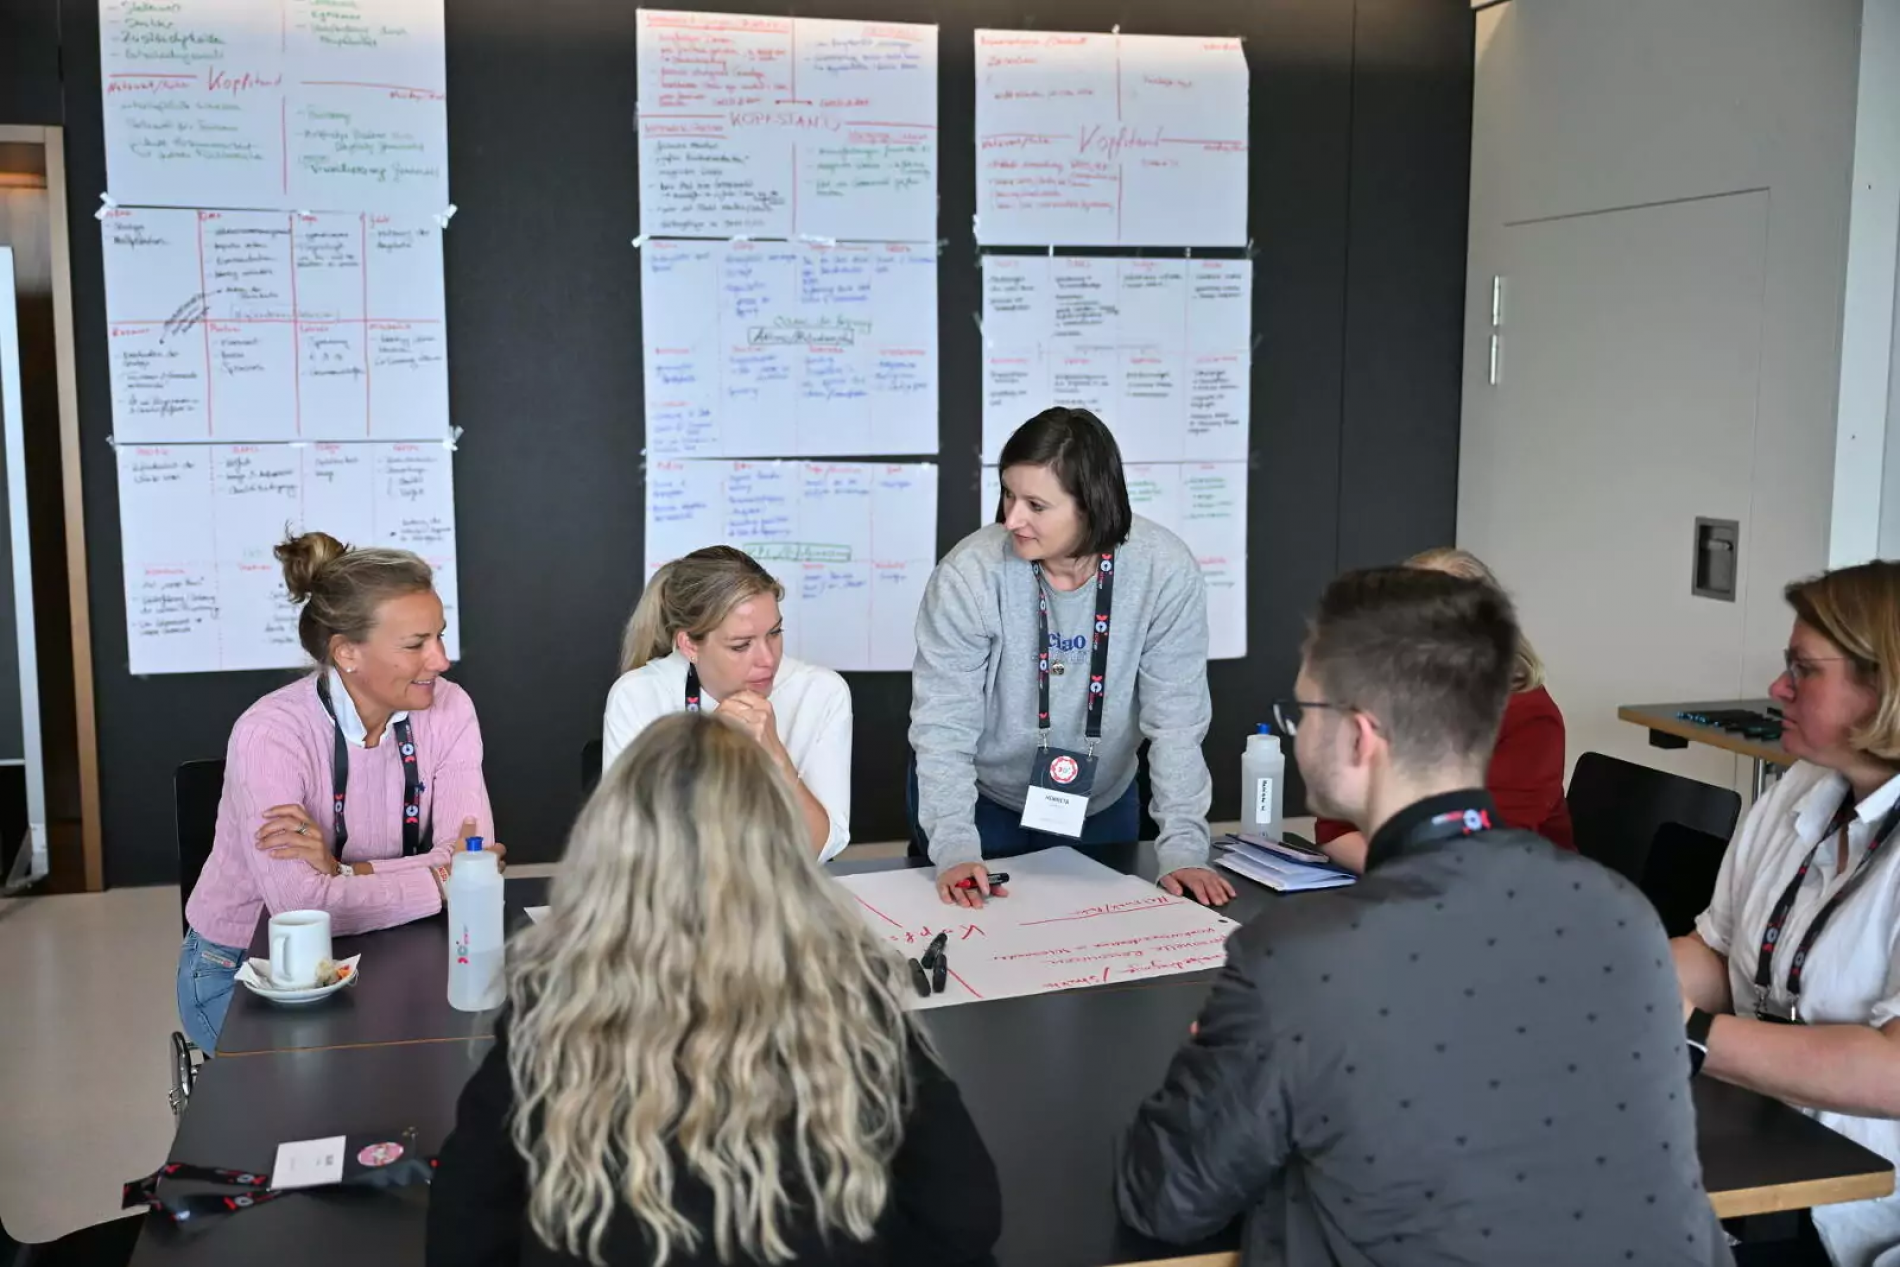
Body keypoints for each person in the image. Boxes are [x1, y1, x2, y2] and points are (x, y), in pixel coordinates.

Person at [1118, 567, 1729, 1267]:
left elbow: (1164, 1196)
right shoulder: (1624, 915)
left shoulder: (1298, 961)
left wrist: (1210, 1064)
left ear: (1359, 736)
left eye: (1304, 712)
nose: (1294, 736)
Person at [427, 711, 1002, 1267]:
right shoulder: (850, 1000)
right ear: (778, 851)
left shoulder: (553, 1006)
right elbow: (962, 1220)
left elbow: (463, 1232)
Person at [176, 532, 498, 1053]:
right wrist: (444, 880)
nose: (441, 660)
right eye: (416, 644)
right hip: (250, 970)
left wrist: (346, 871)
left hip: (400, 946)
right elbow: (302, 905)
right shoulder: (270, 733)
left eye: (439, 635)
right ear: (347, 652)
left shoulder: (451, 707)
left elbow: (474, 857)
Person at [909, 407, 1233, 909]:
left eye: (1036, 504)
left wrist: (1185, 850)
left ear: (1091, 505)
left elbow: (1177, 723)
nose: (1011, 518)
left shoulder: (1163, 571)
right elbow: (942, 725)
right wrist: (953, 846)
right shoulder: (969, 575)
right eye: (1008, 494)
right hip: (980, 802)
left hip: (1100, 802)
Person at [1674, 561, 1900, 1267]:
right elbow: (1717, 952)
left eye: (1803, 669)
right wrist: (1614, 975)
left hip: (1853, 1210)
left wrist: (1687, 1029)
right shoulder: (1803, 785)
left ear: (1884, 686)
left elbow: (1894, 1072)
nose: (1778, 688)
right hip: (1756, 1134)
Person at [1313, 546, 1573, 868]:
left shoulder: (1528, 716)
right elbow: (1334, 827)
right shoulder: (1382, 696)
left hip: (1515, 896)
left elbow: (1484, 856)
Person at [603, 546, 852, 861]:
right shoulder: (639, 696)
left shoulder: (822, 692)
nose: (767, 659)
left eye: (775, 633)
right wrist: (707, 751)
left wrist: (777, 758)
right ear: (689, 645)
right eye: (741, 645)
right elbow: (628, 847)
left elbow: (820, 849)